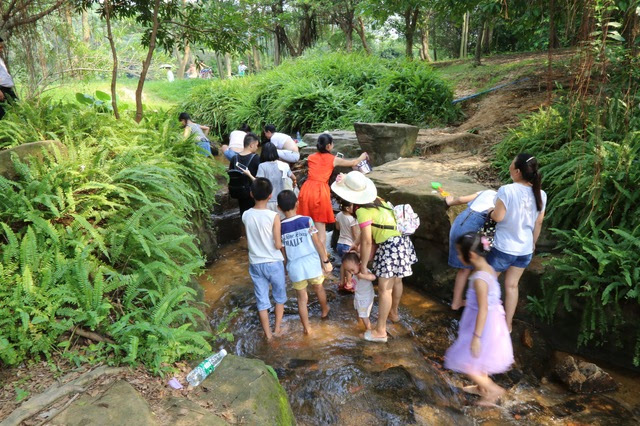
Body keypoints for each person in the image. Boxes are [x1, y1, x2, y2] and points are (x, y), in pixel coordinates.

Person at [331, 171, 417, 343]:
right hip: (401, 243)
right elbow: (367, 234)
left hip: (389, 248)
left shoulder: (362, 211)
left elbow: (368, 241)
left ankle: (380, 331)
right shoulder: (379, 200)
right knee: (395, 282)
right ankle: (393, 313)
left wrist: (362, 266)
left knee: (385, 290)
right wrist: (356, 243)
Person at [444, 232, 514, 407]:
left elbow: (483, 307)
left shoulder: (479, 279)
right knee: (481, 358)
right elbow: (486, 300)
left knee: (467, 361)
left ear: (472, 255)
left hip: (483, 324)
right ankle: (481, 388)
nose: (459, 257)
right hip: (492, 319)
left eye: (460, 253)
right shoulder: (487, 268)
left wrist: (476, 337)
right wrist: (465, 302)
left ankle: (493, 389)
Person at [487, 154, 546, 332]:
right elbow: (539, 222)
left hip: (504, 248)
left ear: (518, 171)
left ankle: (485, 320)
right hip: (525, 250)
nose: (509, 168)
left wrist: (490, 211)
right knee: (512, 286)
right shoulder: (541, 194)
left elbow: (498, 217)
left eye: (511, 165)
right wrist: (533, 244)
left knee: (488, 283)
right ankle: (508, 324)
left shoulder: (507, 190)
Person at [297, 133, 368, 250]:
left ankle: (308, 252)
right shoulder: (333, 159)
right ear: (329, 146)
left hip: (306, 189)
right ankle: (322, 259)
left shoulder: (311, 157)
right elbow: (354, 163)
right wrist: (362, 156)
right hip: (320, 192)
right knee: (321, 230)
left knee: (307, 224)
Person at [277, 190, 332, 335]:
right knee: (319, 287)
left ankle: (307, 328)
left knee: (302, 298)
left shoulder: (280, 227)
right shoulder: (306, 220)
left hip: (295, 266)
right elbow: (317, 242)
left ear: (279, 208)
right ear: (297, 203)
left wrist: (285, 268)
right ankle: (325, 310)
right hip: (312, 263)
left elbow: (282, 251)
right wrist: (325, 260)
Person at [242, 178, 286, 340]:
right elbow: (277, 244)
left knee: (262, 300)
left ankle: (268, 335)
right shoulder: (274, 216)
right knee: (279, 297)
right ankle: (277, 329)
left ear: (251, 194)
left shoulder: (246, 215)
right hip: (274, 262)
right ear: (270, 195)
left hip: (255, 263)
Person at [446, 190, 497, 310]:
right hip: (472, 227)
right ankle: (459, 302)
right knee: (469, 267)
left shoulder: (487, 191)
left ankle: (457, 301)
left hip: (460, 222)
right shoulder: (501, 201)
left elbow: (461, 199)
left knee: (464, 269)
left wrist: (449, 202)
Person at [256, 142, 297, 215]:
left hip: (267, 201)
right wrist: (294, 184)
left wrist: (249, 175)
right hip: (282, 201)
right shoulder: (284, 165)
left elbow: (259, 183)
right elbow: (293, 177)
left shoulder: (262, 166)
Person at [342, 252, 376, 330]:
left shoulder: (364, 271)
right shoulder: (354, 273)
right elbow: (355, 284)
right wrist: (350, 286)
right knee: (357, 310)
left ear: (359, 264)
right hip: (358, 296)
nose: (351, 272)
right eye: (348, 271)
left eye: (352, 270)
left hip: (366, 298)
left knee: (364, 315)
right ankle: (359, 323)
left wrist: (363, 276)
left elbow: (373, 277)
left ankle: (368, 329)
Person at [230, 133, 261, 216]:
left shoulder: (234, 158)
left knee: (243, 215)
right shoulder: (256, 158)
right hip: (252, 193)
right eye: (256, 145)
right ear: (251, 145)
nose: (257, 148)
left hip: (239, 192)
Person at [335, 199, 359, 268]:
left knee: (343, 264)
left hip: (339, 244)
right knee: (351, 267)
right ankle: (348, 279)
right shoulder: (352, 219)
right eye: (353, 206)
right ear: (347, 208)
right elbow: (355, 234)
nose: (355, 208)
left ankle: (342, 278)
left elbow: (337, 227)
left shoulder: (339, 215)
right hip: (349, 245)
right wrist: (357, 246)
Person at [0, 37, 18, 120]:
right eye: (0, 47)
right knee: (3, 116)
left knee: (17, 108)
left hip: (7, 89)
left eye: (2, 47)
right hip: (1, 90)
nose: (1, 49)